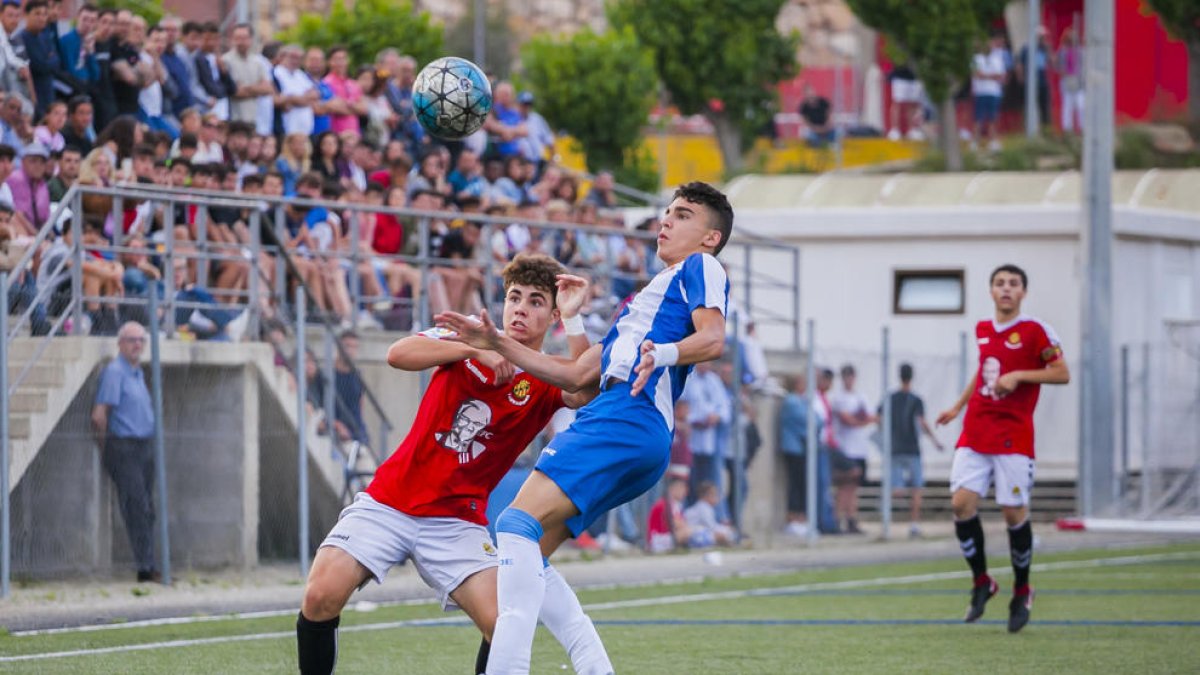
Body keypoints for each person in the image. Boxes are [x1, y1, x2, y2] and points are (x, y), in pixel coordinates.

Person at [436, 181, 733, 673]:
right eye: (666, 212)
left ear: (710, 238)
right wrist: (532, 332)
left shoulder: (701, 268)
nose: (665, 221)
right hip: (621, 422)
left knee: (512, 525)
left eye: (682, 215)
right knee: (529, 556)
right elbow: (576, 381)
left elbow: (714, 338)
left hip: (627, 418)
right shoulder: (645, 301)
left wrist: (661, 354)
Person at [296, 254, 611, 675]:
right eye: (515, 297)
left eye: (537, 302)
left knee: (505, 626)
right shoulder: (467, 335)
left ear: (552, 314)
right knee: (320, 595)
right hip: (389, 502)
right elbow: (398, 353)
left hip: (456, 522)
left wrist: (574, 320)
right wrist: (473, 347)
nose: (521, 308)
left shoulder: (546, 375)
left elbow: (584, 389)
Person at [936, 263, 1069, 633]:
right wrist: (958, 406)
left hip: (1013, 436)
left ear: (1024, 292)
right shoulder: (982, 329)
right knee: (961, 504)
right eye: (999, 283)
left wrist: (1020, 375)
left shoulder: (1034, 331)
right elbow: (983, 372)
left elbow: (1062, 372)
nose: (1006, 289)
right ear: (991, 291)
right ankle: (982, 582)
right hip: (976, 430)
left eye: (1013, 284)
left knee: (1013, 513)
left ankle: (1022, 590)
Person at [91, 321, 159, 582]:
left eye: (141, 340)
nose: (137, 345)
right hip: (124, 446)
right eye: (132, 340)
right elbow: (99, 415)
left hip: (144, 446)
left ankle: (148, 562)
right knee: (137, 506)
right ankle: (145, 567)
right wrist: (105, 449)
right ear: (120, 343)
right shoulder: (115, 372)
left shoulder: (137, 372)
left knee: (147, 507)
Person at [882, 363, 944, 538]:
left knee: (895, 488)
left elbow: (879, 418)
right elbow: (922, 422)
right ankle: (914, 523)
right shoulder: (916, 400)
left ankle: (886, 520)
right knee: (916, 488)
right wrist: (935, 441)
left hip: (895, 448)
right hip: (912, 449)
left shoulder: (891, 398)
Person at [831, 363, 877, 535]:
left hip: (859, 449)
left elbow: (871, 416)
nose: (849, 380)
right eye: (846, 377)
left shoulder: (860, 396)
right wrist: (860, 420)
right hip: (846, 448)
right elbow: (847, 420)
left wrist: (859, 420)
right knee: (844, 486)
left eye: (851, 376)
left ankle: (851, 519)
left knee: (854, 487)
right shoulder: (839, 398)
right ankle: (837, 519)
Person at [778, 374, 810, 537]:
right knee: (796, 485)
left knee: (802, 484)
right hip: (794, 448)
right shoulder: (792, 401)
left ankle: (801, 519)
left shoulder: (802, 400)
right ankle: (793, 519)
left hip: (802, 448)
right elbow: (808, 419)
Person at [971, 33, 1007, 152]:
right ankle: (975, 141)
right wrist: (992, 75)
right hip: (981, 92)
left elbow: (1001, 76)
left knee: (993, 118)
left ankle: (993, 141)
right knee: (978, 118)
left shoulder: (997, 59)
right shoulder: (976, 58)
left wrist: (985, 75)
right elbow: (976, 74)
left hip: (994, 92)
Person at [1015, 27, 1050, 132]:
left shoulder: (1044, 49)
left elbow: (1050, 62)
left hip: (1042, 82)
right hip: (1030, 83)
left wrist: (1048, 49)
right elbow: (1020, 64)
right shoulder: (1026, 48)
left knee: (1044, 107)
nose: (1044, 38)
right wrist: (1021, 78)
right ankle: (1028, 128)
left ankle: (1045, 130)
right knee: (1029, 106)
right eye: (1042, 36)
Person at [1055, 29, 1084, 135]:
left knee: (1081, 105)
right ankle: (1068, 129)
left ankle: (1082, 127)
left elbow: (1083, 65)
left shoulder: (1080, 50)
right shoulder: (1062, 51)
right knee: (1068, 105)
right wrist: (1061, 71)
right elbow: (1057, 65)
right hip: (1066, 81)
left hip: (1078, 81)